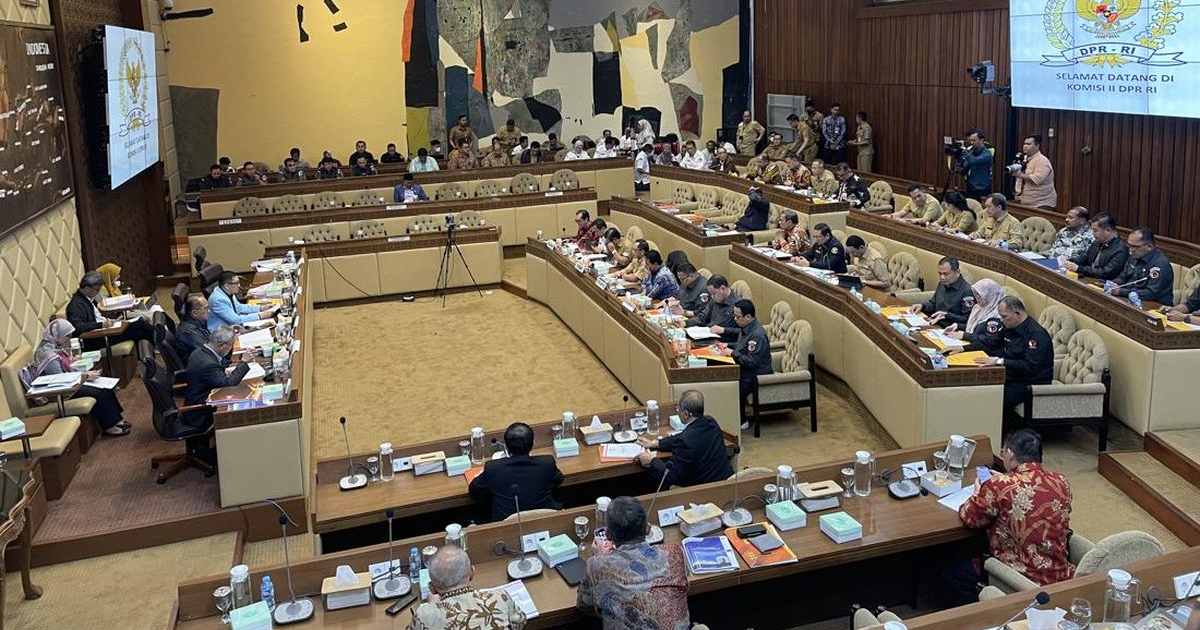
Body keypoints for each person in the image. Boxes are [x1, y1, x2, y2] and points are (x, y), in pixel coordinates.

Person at [959, 429, 1073, 587]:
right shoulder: (1061, 482)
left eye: (1003, 452)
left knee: (951, 568)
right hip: (1061, 577)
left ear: (1010, 453)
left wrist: (979, 492)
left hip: (1022, 581)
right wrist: (1003, 482)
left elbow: (970, 518)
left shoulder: (998, 485)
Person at [577, 496, 689, 630]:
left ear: (608, 535)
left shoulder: (597, 565)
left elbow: (584, 605)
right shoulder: (674, 552)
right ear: (647, 528)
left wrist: (601, 559)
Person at [23, 319, 128, 436]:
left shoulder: (54, 346)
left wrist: (84, 374)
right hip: (59, 392)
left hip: (69, 384)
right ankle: (110, 426)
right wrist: (84, 376)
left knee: (105, 388)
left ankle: (117, 420)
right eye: (67, 336)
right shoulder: (47, 354)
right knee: (99, 393)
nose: (69, 339)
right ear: (57, 335)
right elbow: (61, 379)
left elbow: (66, 370)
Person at [973, 297, 1055, 425]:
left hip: (1030, 383)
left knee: (992, 397)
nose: (1001, 320)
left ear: (1017, 313)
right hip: (1011, 375)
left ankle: (996, 431)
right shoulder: (1009, 326)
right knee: (979, 387)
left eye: (1004, 317)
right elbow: (991, 343)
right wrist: (963, 347)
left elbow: (1030, 366)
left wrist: (1000, 361)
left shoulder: (1036, 335)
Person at [412, 545, 526, 630]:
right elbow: (519, 622)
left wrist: (432, 606)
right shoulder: (500, 596)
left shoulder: (424, 615)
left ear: (432, 588)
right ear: (472, 572)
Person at [468, 422, 563, 522]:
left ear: (506, 446)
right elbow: (559, 480)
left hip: (507, 526)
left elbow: (474, 490)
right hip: (547, 521)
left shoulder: (493, 468)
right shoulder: (547, 463)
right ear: (533, 443)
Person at [636, 390, 731, 487]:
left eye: (678, 409)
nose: (677, 411)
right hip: (728, 483)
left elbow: (670, 477)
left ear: (686, 414)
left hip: (705, 490)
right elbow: (680, 437)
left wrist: (652, 460)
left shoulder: (686, 442)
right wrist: (655, 443)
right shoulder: (710, 422)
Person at [182, 325, 250, 434]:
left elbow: (219, 366)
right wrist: (244, 362)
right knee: (245, 409)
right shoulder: (208, 364)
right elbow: (229, 384)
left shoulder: (200, 351)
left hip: (199, 399)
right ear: (222, 345)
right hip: (201, 412)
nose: (231, 349)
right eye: (231, 345)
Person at [66, 271, 154, 351]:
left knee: (140, 324)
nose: (97, 293)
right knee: (140, 327)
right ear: (87, 287)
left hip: (105, 331)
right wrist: (102, 325)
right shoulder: (76, 305)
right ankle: (158, 348)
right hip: (97, 338)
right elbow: (78, 327)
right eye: (96, 290)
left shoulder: (86, 299)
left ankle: (154, 350)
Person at [724, 299, 773, 430]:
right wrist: (726, 345)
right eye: (734, 316)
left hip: (757, 374)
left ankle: (742, 420)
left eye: (738, 317)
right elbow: (741, 346)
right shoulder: (745, 327)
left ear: (748, 317)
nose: (735, 319)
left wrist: (732, 353)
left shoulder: (757, 335)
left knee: (733, 387)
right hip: (746, 370)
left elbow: (752, 362)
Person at [1107, 227, 1174, 305]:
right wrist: (1112, 284)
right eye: (1129, 245)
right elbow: (1123, 277)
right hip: (1129, 299)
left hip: (1153, 305)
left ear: (1149, 246)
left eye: (1135, 246)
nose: (1131, 250)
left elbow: (1151, 293)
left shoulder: (1160, 264)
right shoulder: (1134, 256)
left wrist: (1121, 291)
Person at [944, 278, 1006, 355]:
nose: (976, 298)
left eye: (979, 295)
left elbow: (989, 341)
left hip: (986, 354)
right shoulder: (979, 307)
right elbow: (974, 328)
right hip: (971, 346)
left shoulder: (998, 315)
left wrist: (965, 335)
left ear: (990, 295)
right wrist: (957, 326)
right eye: (975, 294)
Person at [910, 257, 973, 328]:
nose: (942, 277)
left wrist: (946, 315)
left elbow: (967, 319)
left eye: (946, 274)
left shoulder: (967, 291)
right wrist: (922, 306)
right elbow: (933, 304)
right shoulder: (942, 283)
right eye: (940, 273)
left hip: (949, 328)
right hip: (934, 323)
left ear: (957, 272)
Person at [1065, 213, 1128, 281]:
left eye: (1095, 230)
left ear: (1108, 230)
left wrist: (1079, 268)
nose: (1093, 233)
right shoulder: (1097, 242)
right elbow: (1085, 258)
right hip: (1088, 278)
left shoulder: (1121, 249)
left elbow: (1106, 273)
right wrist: (1069, 261)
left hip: (1102, 283)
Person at [207, 271, 273, 331]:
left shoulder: (228, 291)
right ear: (226, 286)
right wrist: (259, 316)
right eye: (236, 283)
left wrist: (260, 308)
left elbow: (239, 307)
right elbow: (235, 320)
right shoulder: (218, 300)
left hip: (233, 326)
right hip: (221, 333)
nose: (239, 285)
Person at [687, 274, 739, 342]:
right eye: (711, 294)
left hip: (724, 341)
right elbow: (702, 317)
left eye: (714, 294)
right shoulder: (715, 299)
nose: (712, 297)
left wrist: (724, 330)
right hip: (707, 335)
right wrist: (686, 323)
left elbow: (745, 332)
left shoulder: (738, 305)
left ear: (722, 288)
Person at [1011, 134, 1057, 209]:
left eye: (1028, 144)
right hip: (1025, 201)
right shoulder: (1024, 159)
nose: (1025, 146)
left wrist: (1020, 175)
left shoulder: (1042, 160)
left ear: (1037, 146)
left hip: (1041, 203)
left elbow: (1037, 179)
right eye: (1024, 144)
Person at [959, 129, 994, 200]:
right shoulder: (971, 152)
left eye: (974, 140)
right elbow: (964, 168)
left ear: (981, 140)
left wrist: (965, 152)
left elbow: (973, 161)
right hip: (971, 186)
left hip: (982, 188)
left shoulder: (987, 154)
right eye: (970, 140)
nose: (971, 143)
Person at [176, 295, 211, 361]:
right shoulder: (188, 332)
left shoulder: (198, 323)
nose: (209, 311)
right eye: (206, 308)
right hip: (201, 364)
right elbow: (208, 352)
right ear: (195, 313)